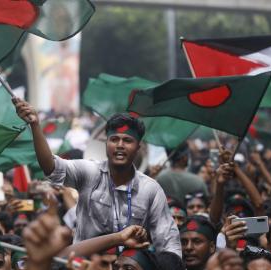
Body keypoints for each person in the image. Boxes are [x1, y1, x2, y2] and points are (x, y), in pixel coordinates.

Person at [14, 99, 182, 259]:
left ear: (138, 148)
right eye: (114, 139)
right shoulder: (89, 171)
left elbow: (168, 242)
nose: (120, 145)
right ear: (106, 143)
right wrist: (35, 125)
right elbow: (51, 167)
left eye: (127, 140)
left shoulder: (151, 189)